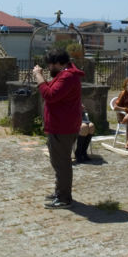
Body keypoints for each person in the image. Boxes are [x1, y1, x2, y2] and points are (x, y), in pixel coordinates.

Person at [33, 49, 84, 209]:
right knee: (58, 162)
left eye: (50, 64)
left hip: (63, 127)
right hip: (61, 125)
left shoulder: (67, 77)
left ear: (59, 63)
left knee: (62, 163)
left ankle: (64, 198)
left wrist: (38, 76)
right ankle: (60, 192)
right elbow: (54, 91)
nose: (49, 68)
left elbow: (50, 95)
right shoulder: (64, 75)